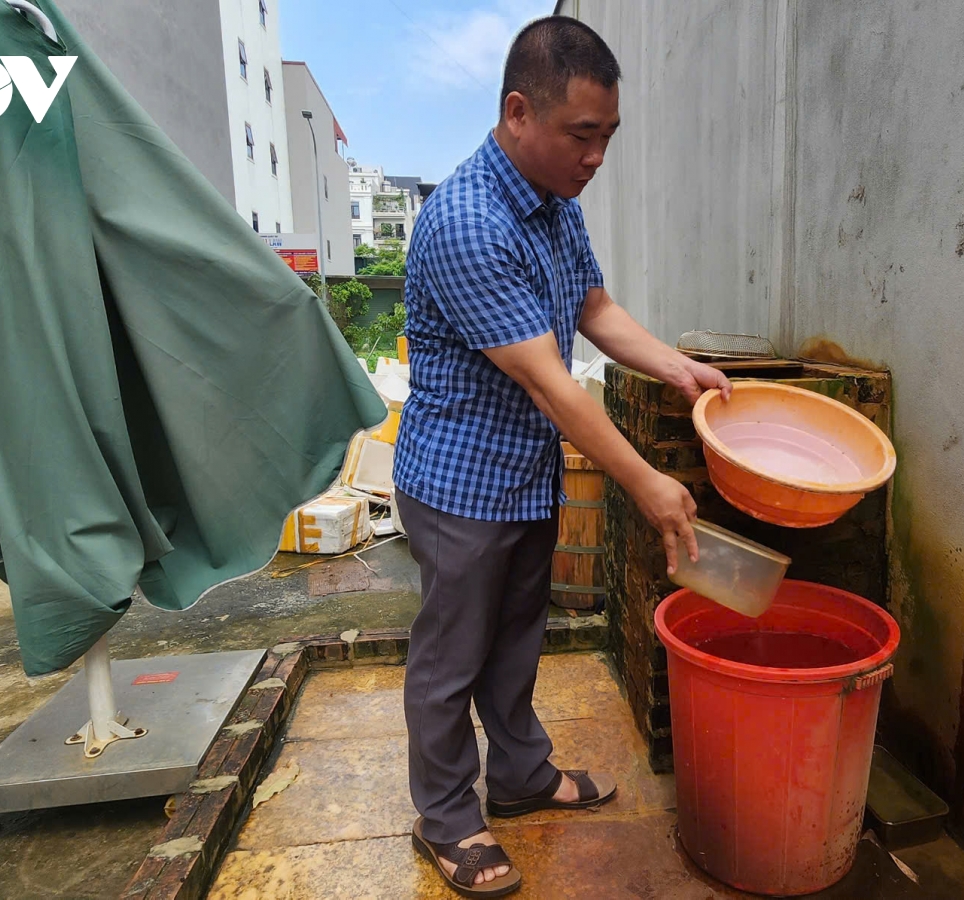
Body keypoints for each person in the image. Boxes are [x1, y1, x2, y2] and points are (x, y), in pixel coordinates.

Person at [392, 15, 733, 897]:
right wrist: (650, 483)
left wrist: (677, 365)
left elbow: (593, 307)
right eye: (582, 135)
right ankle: (447, 818)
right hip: (461, 483)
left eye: (608, 137)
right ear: (518, 113)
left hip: (522, 478)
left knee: (514, 645)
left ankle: (519, 776)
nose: (596, 157)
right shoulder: (467, 220)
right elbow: (551, 384)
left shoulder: (554, 208)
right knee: (449, 660)